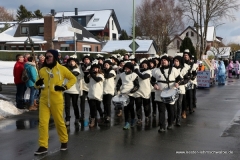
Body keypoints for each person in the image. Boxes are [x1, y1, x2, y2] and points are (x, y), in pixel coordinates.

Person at [34, 49, 76, 155]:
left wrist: (64, 87)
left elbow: (73, 79)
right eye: (46, 56)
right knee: (43, 123)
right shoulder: (42, 70)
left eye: (49, 56)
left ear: (55, 57)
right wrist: (37, 83)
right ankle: (43, 146)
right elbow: (36, 84)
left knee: (59, 122)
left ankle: (64, 141)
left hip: (56, 100)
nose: (47, 58)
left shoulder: (62, 69)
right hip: (44, 100)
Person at [152, 54, 181, 132]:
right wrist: (154, 84)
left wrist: (177, 83)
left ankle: (170, 123)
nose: (163, 61)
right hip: (160, 93)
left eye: (165, 60)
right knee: (161, 111)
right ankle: (162, 126)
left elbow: (179, 78)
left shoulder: (174, 70)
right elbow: (152, 80)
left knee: (171, 110)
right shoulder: (156, 70)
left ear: (168, 61)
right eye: (162, 60)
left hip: (170, 93)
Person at [116, 62, 139, 130]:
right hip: (123, 93)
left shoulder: (134, 75)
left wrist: (131, 91)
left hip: (131, 94)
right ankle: (126, 122)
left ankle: (132, 119)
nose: (126, 70)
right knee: (126, 109)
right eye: (125, 68)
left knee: (131, 108)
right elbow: (119, 83)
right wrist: (118, 89)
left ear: (131, 69)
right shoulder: (122, 75)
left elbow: (137, 85)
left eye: (128, 68)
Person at [84, 62, 104, 128]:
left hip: (98, 94)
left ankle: (101, 116)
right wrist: (86, 73)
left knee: (98, 107)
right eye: (94, 68)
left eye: (96, 68)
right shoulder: (91, 75)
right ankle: (93, 120)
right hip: (91, 94)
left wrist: (91, 73)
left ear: (98, 69)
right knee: (92, 108)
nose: (95, 69)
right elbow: (86, 81)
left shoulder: (101, 75)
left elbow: (97, 80)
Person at [133, 58, 152, 126]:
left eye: (145, 64)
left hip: (146, 91)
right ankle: (139, 118)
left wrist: (137, 71)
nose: (144, 65)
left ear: (148, 65)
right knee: (138, 106)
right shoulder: (138, 71)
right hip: (138, 91)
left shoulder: (149, 71)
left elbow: (143, 77)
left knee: (146, 106)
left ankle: (147, 116)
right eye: (143, 64)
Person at [63, 57, 81, 126]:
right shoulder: (66, 69)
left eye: (73, 61)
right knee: (67, 105)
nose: (71, 62)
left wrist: (66, 71)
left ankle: (77, 117)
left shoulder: (77, 69)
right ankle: (67, 119)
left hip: (75, 90)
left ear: (75, 62)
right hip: (67, 89)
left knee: (75, 104)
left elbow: (73, 75)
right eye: (70, 61)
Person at [173, 56, 188, 126]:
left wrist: (180, 83)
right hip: (173, 88)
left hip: (181, 89)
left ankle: (178, 120)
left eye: (177, 61)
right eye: (174, 61)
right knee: (173, 105)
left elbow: (186, 79)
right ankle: (173, 117)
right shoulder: (171, 69)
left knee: (179, 104)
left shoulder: (183, 69)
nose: (175, 62)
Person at [79, 54, 92, 122]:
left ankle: (91, 115)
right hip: (83, 86)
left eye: (87, 59)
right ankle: (82, 115)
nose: (86, 60)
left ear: (89, 60)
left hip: (90, 86)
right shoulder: (81, 66)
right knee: (82, 101)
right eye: (85, 59)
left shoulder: (92, 66)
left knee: (90, 102)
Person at [102, 59, 116, 123]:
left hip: (110, 90)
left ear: (110, 65)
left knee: (108, 103)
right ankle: (105, 114)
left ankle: (108, 115)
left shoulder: (112, 71)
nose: (106, 66)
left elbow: (108, 76)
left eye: (107, 65)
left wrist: (101, 73)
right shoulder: (103, 71)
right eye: (105, 65)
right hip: (103, 90)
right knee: (104, 103)